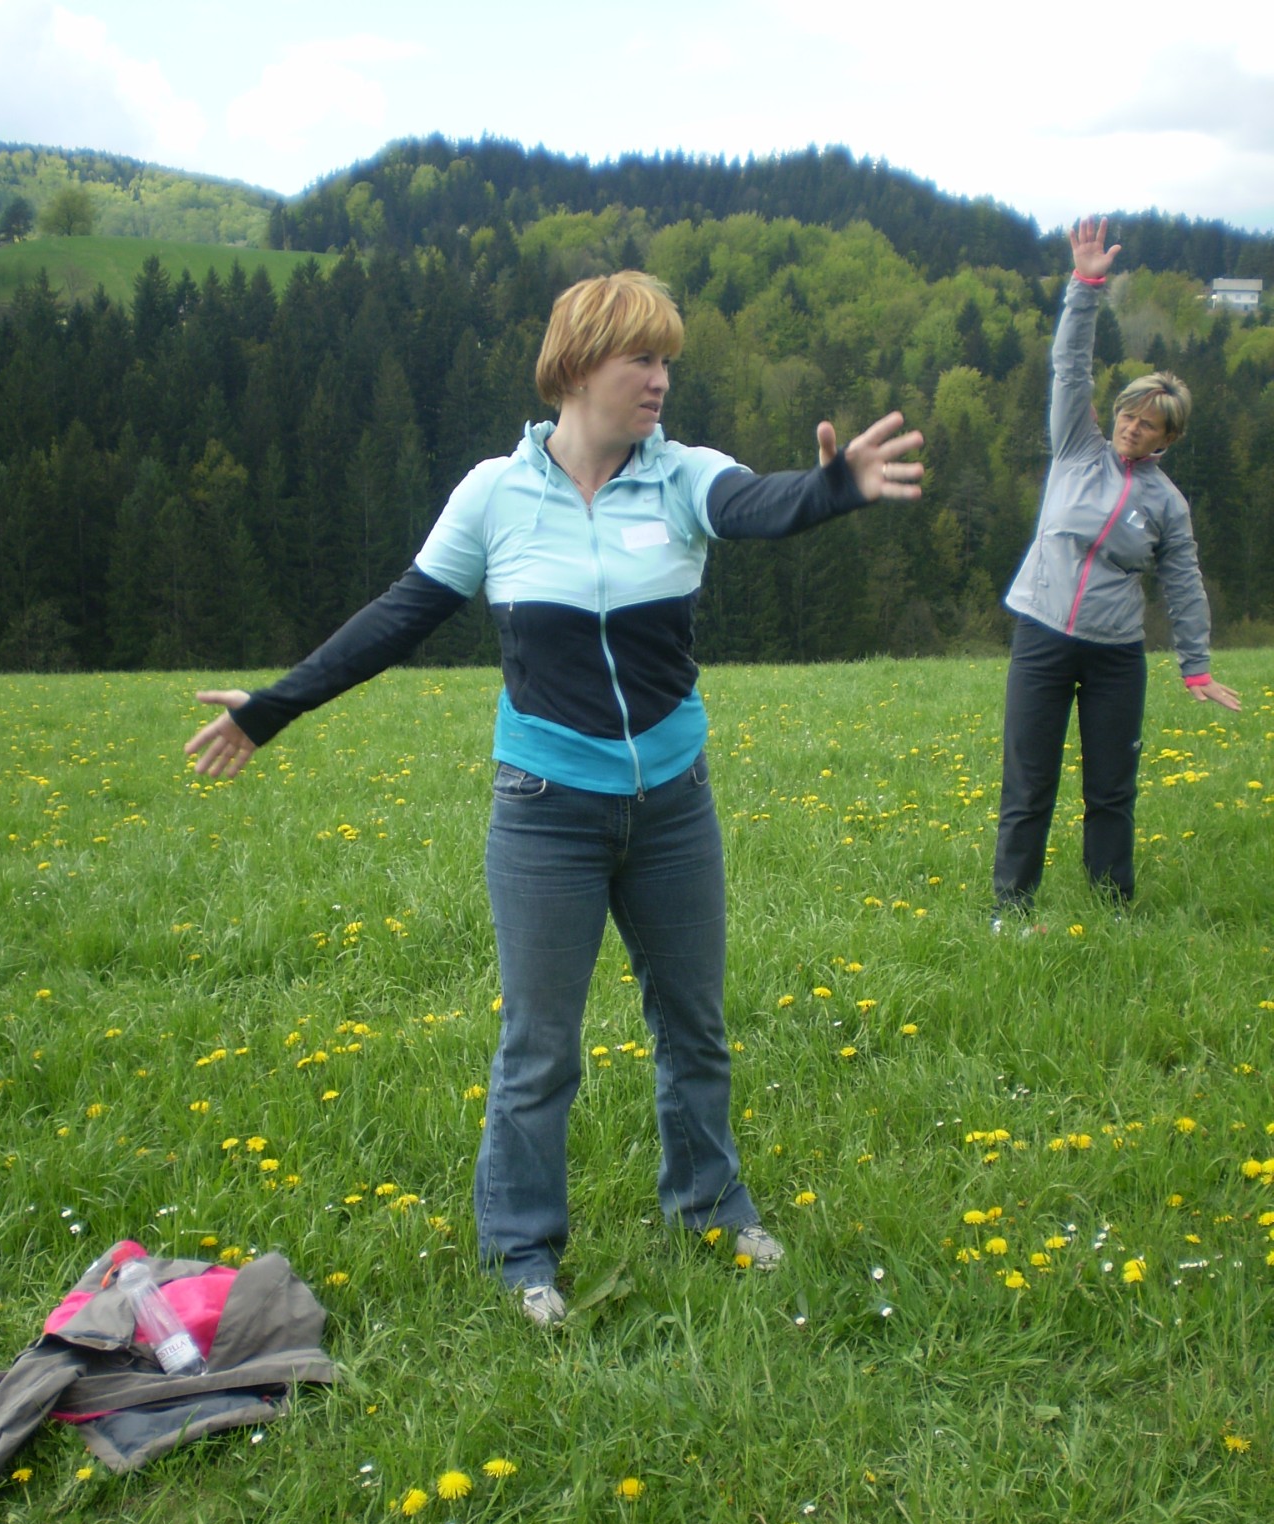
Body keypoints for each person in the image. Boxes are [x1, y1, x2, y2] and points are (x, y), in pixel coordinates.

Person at [186, 270, 924, 1325]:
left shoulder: (682, 476)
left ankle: (711, 1207)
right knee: (539, 1048)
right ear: (577, 365)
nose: (660, 379)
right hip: (545, 809)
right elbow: (400, 615)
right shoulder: (496, 494)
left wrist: (830, 489)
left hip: (671, 804)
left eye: (667, 360)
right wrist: (273, 707)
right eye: (641, 358)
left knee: (695, 1027)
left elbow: (757, 502)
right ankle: (520, 1252)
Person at [991, 217, 1239, 927]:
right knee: (1029, 784)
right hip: (1041, 638)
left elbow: (1183, 583)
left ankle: (1111, 912)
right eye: (1128, 414)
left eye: (1148, 424)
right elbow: (1070, 365)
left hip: (1115, 656)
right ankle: (1011, 910)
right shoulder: (1076, 445)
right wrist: (1086, 286)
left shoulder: (1167, 504)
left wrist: (1195, 665)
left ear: (1168, 438)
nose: (1131, 427)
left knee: (1111, 790)